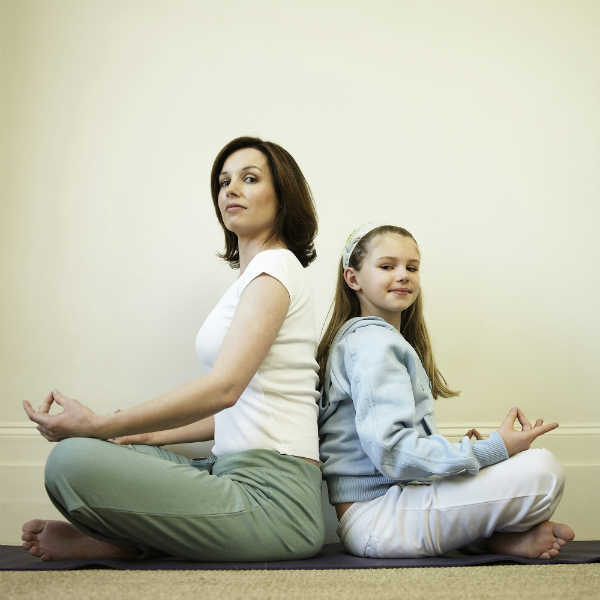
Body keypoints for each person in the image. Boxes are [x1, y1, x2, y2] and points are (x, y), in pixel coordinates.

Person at [21, 136, 325, 562]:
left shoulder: (276, 267)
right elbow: (240, 410)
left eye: (249, 178)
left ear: (283, 195)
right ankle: (128, 540)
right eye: (223, 182)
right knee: (121, 451)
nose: (230, 190)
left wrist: (99, 424)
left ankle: (126, 541)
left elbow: (224, 389)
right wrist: (145, 436)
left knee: (71, 461)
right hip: (229, 472)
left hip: (275, 502)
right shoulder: (254, 277)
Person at [317, 223, 574, 559]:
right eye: (387, 266)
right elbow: (394, 453)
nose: (403, 275)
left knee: (521, 466)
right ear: (353, 279)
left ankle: (493, 541)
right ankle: (494, 536)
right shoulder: (371, 343)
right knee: (544, 471)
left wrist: (474, 456)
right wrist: (495, 449)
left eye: (411, 267)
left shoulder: (372, 341)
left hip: (386, 512)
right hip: (378, 518)